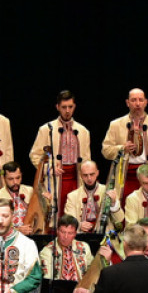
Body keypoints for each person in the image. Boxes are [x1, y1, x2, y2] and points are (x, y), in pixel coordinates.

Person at [100, 88, 148, 202]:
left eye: (140, 100)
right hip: (125, 175)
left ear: (146, 102)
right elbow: (105, 150)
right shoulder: (115, 125)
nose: (137, 104)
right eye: (133, 100)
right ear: (127, 103)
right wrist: (122, 148)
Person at [29, 90, 91, 219]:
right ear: (57, 107)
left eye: (70, 107)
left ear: (74, 107)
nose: (67, 110)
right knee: (54, 216)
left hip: (75, 178)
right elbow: (34, 155)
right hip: (55, 179)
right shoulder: (46, 129)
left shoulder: (83, 131)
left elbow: (86, 159)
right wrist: (49, 169)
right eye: (64, 107)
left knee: (74, 213)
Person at [63, 160, 124, 233]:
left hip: (104, 235)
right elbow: (69, 221)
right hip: (81, 236)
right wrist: (79, 225)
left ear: (97, 173)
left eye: (92, 174)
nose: (89, 178)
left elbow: (120, 219)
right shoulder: (72, 196)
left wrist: (113, 204)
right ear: (81, 175)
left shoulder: (108, 191)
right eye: (85, 175)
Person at [0, 161, 36, 235]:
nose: (15, 182)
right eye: (11, 179)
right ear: (4, 178)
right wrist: (17, 230)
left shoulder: (30, 191)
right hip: (10, 236)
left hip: (31, 234)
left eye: (18, 178)